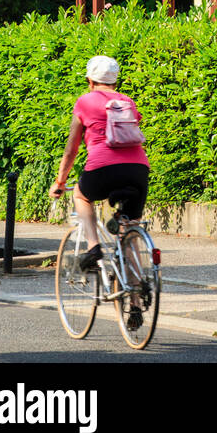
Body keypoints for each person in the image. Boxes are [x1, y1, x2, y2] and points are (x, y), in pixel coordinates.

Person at [49, 56, 149, 274]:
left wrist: (60, 181)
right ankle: (136, 301)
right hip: (138, 169)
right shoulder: (127, 101)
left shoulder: (84, 101)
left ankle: (94, 248)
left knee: (81, 195)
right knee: (129, 232)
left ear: (90, 80)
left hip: (102, 166)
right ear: (115, 81)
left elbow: (71, 149)